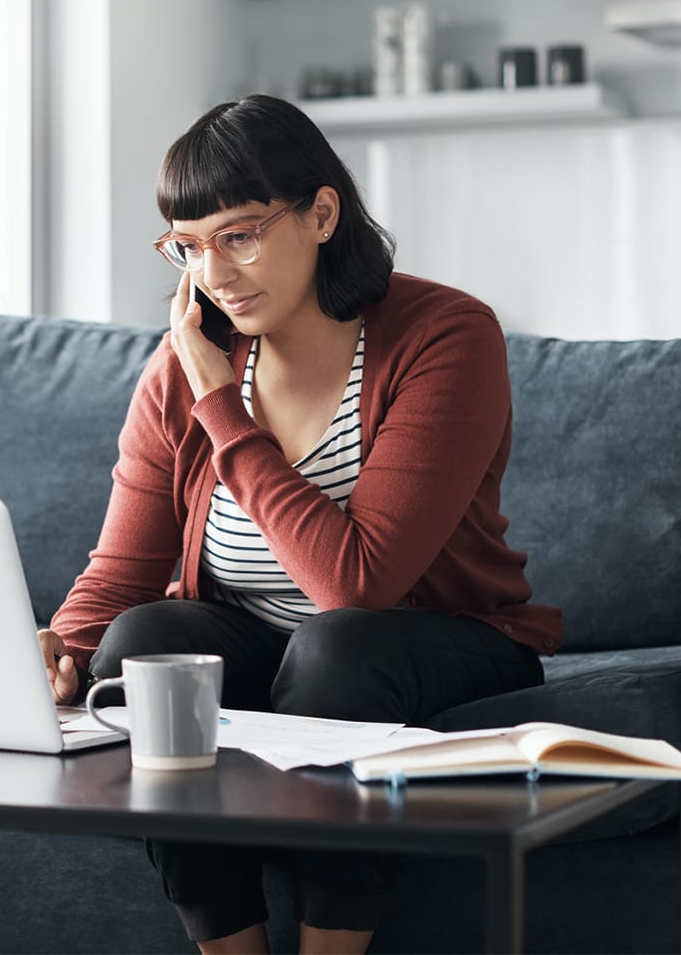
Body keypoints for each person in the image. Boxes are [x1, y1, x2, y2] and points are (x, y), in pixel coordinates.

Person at [38, 94, 561, 955]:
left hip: (430, 635)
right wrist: (55, 644)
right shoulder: (184, 366)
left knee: (336, 646)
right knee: (142, 642)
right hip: (264, 638)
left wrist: (222, 409)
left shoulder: (446, 336)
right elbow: (124, 572)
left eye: (239, 235)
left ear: (322, 213)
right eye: (189, 246)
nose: (214, 273)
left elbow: (358, 584)